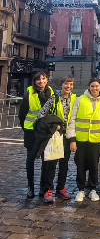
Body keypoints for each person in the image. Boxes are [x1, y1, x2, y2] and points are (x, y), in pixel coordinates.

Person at [67, 77, 100, 202]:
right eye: (92, 86)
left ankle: (93, 189)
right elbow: (72, 120)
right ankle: (81, 189)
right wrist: (72, 139)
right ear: (89, 87)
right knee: (81, 166)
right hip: (81, 140)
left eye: (97, 86)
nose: (94, 88)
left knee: (94, 166)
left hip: (96, 140)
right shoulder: (80, 100)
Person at [37, 76, 76, 203]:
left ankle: (61, 188)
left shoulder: (75, 99)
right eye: (66, 84)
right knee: (52, 163)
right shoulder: (54, 98)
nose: (68, 86)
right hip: (55, 135)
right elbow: (41, 114)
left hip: (67, 135)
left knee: (64, 164)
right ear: (61, 85)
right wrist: (53, 125)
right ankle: (48, 189)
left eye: (70, 84)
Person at [19, 71, 53, 199]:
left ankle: (43, 188)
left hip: (45, 132)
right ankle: (30, 187)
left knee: (46, 160)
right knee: (30, 160)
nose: (41, 81)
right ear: (35, 81)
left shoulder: (52, 93)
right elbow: (22, 114)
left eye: (43, 79)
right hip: (31, 132)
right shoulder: (29, 94)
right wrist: (27, 128)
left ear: (47, 80)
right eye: (38, 79)